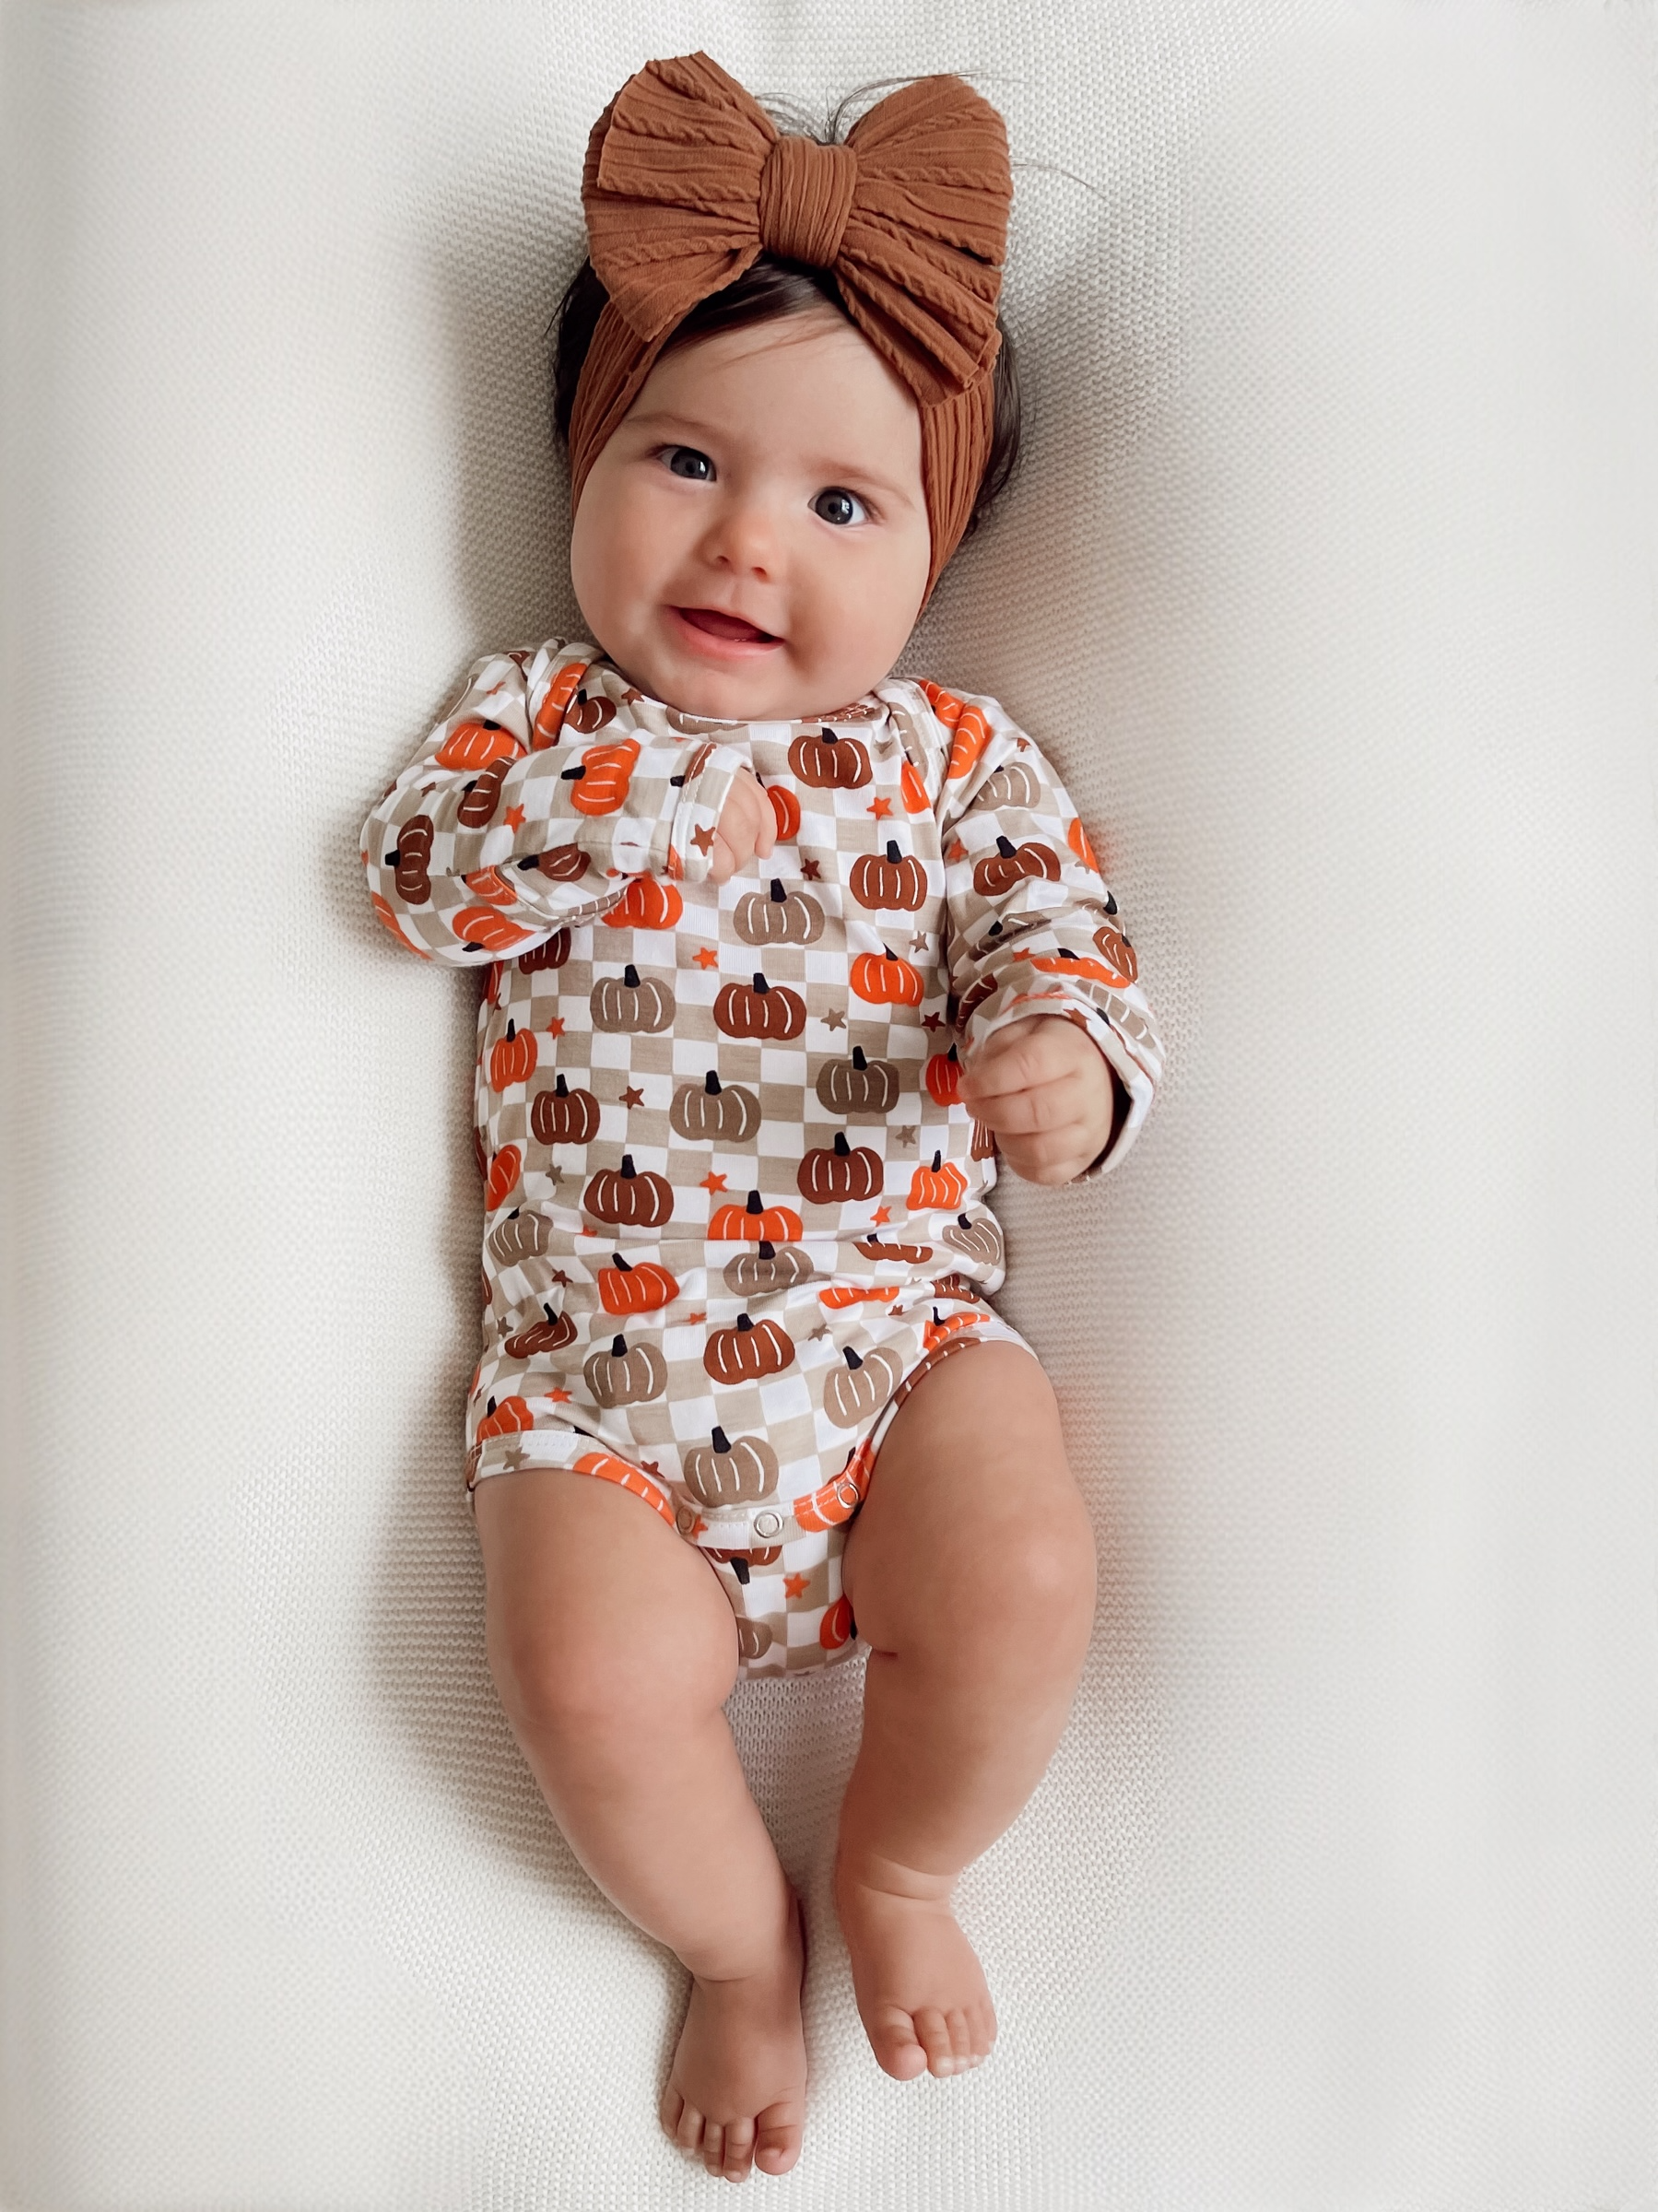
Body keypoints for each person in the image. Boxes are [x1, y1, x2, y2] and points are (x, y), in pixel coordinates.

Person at [361, 51, 1164, 2184]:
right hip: (598, 1399)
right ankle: (733, 1944)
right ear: (582, 460)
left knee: (1022, 1565)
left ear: (932, 550)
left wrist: (1064, 1064)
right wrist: (617, 782)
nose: (742, 541)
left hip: (893, 1351)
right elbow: (421, 884)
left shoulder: (953, 761)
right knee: (582, 1680)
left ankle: (896, 1862)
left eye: (839, 506)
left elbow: (1062, 934)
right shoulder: (536, 719)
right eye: (683, 459)